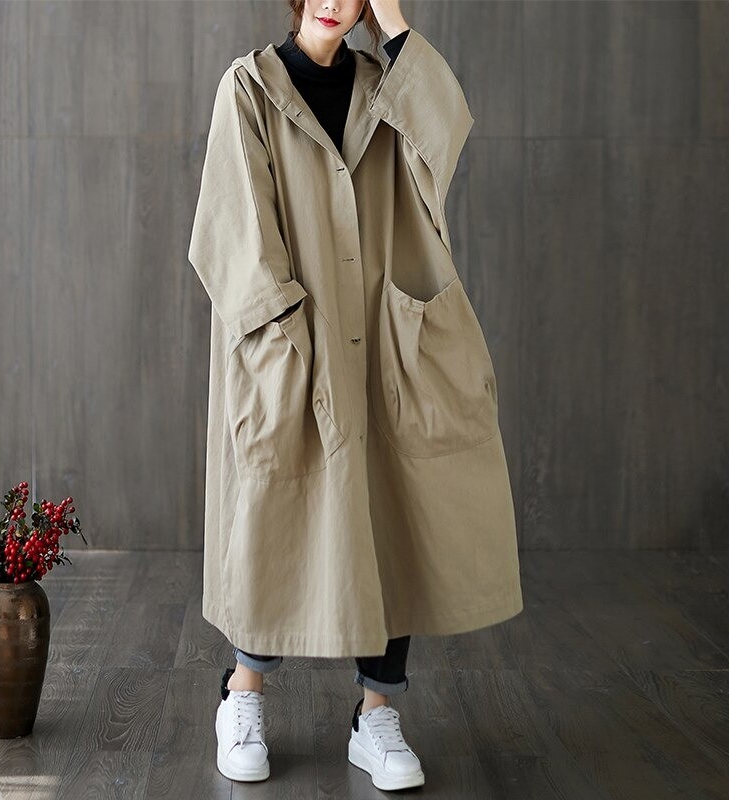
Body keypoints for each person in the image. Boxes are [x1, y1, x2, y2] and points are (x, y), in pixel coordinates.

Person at [188, 0, 524, 792]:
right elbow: (231, 231)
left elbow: (445, 135)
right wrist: (282, 335)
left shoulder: (388, 86)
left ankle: (376, 713)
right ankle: (242, 695)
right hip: (293, 341)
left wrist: (396, 22)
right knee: (274, 515)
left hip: (385, 342)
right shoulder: (250, 88)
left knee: (392, 519)